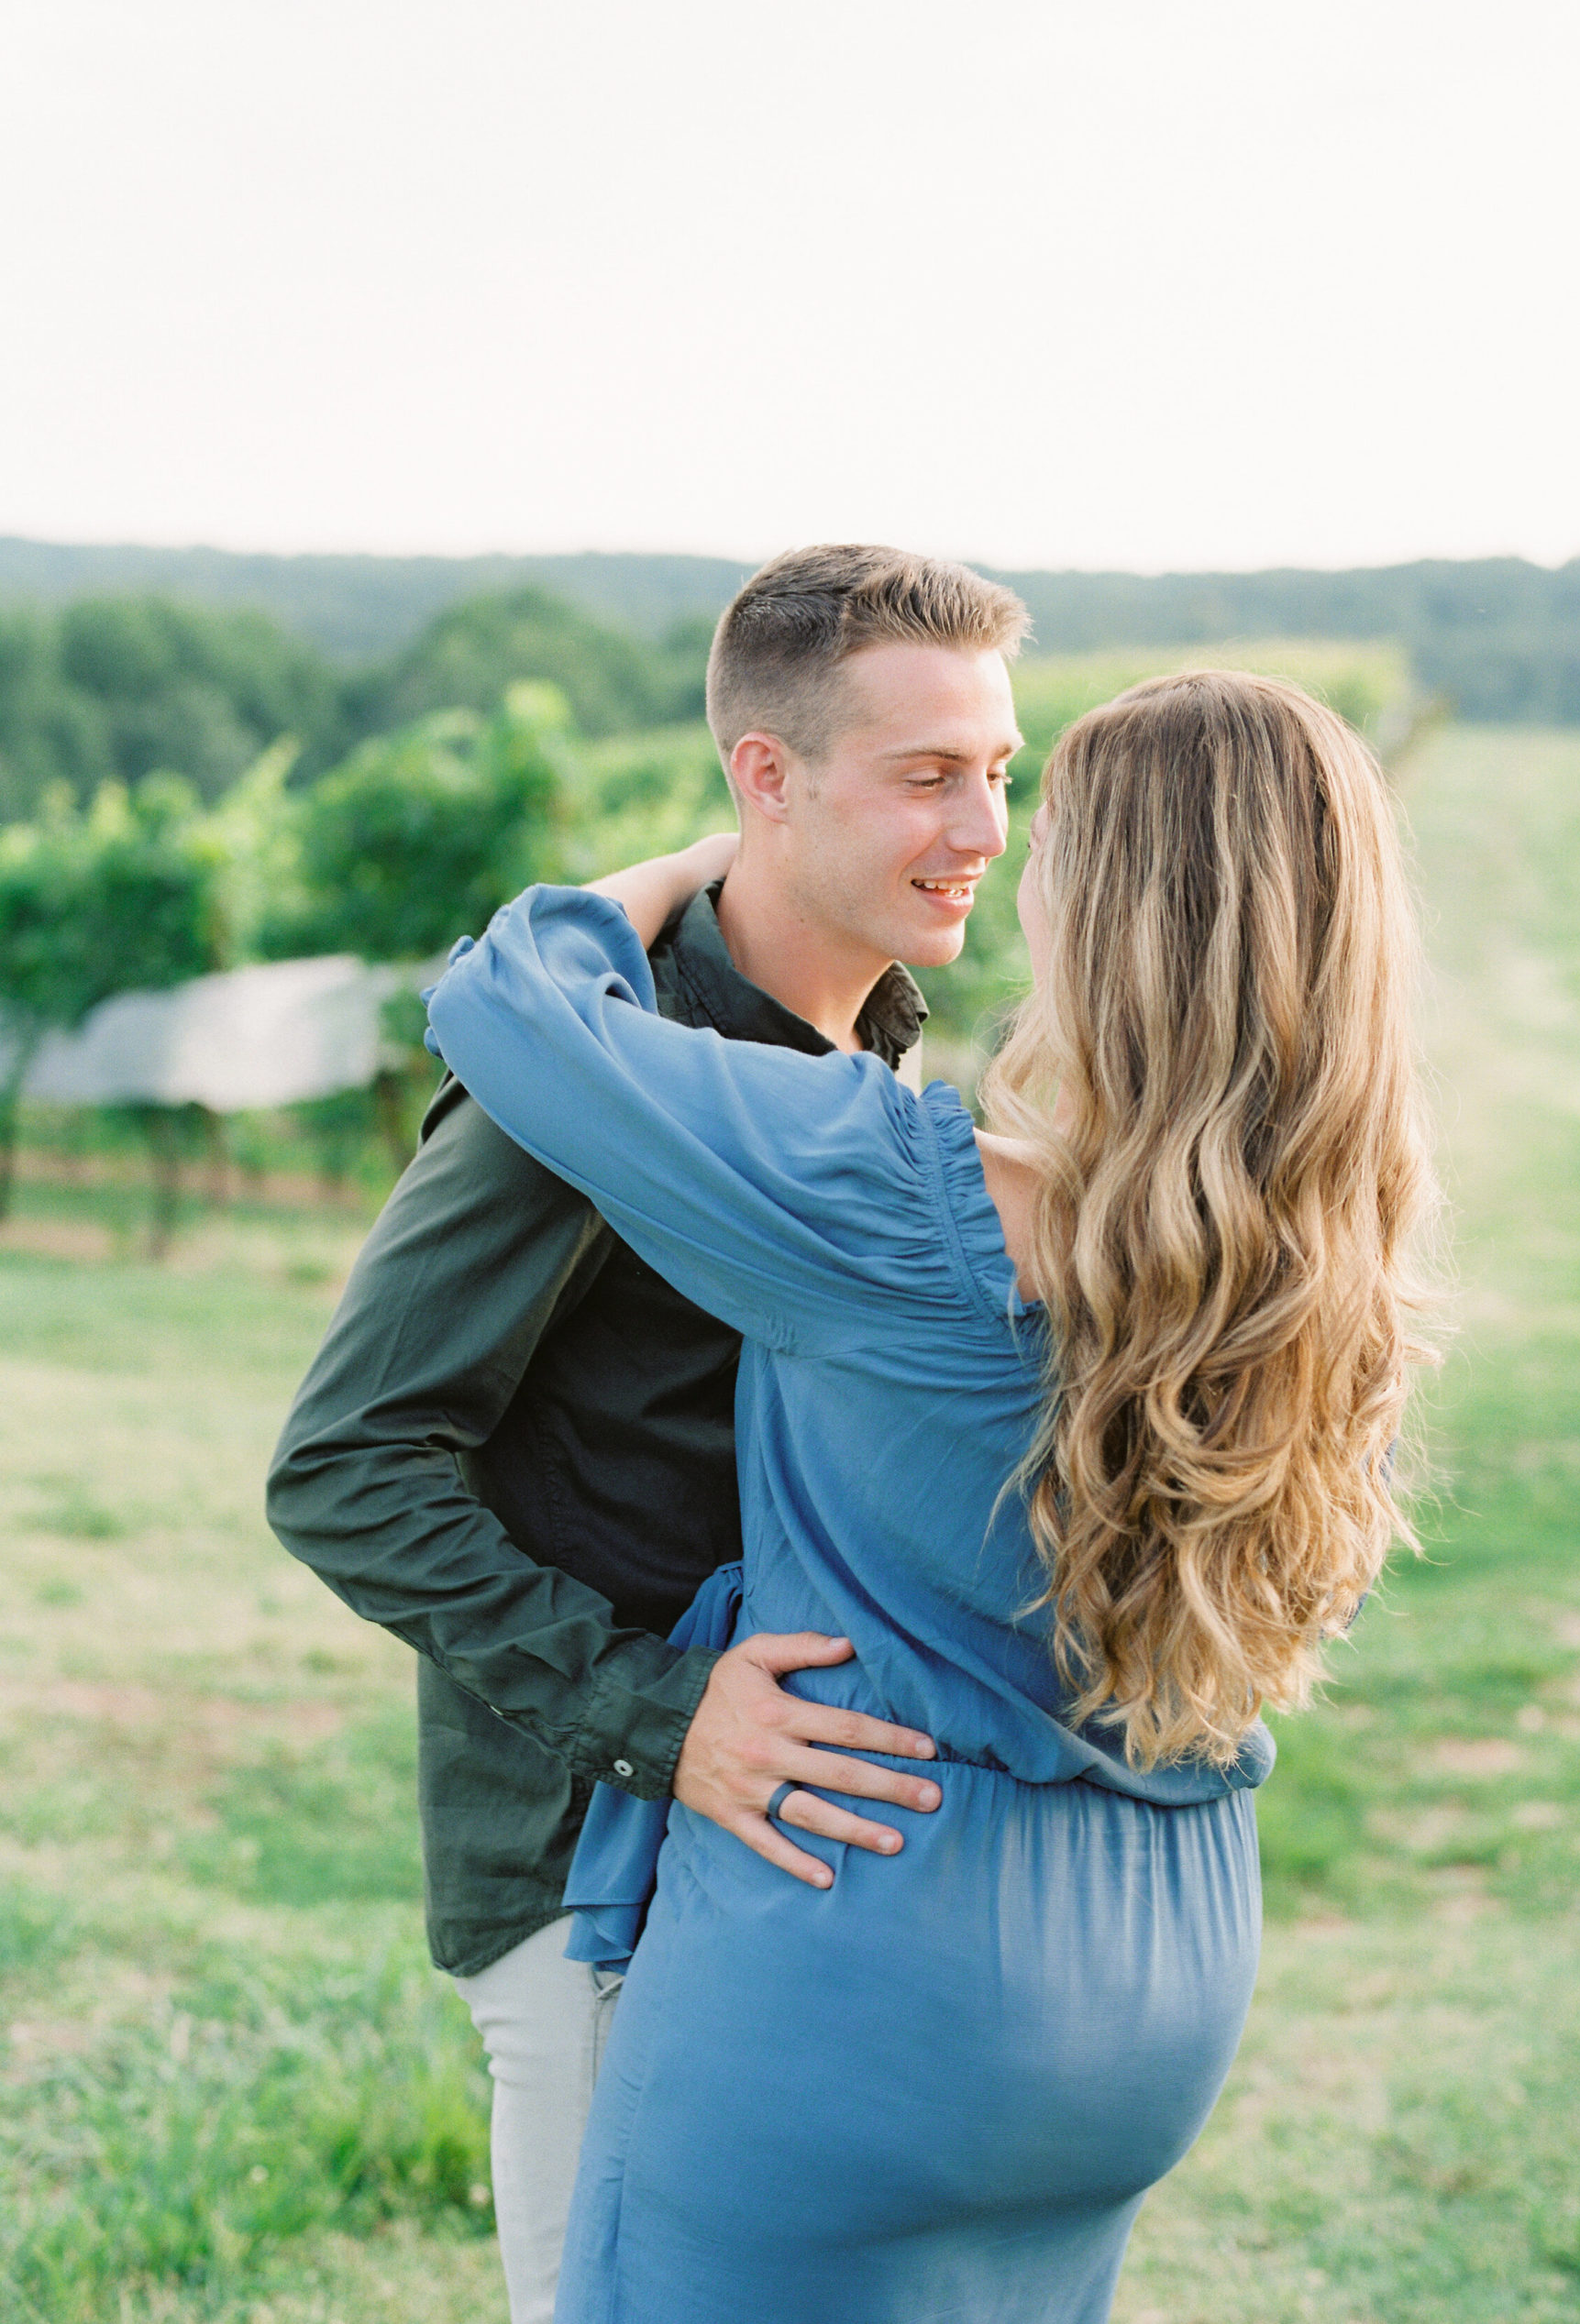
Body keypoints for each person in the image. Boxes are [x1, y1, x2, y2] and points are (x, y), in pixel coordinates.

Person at [421, 667, 1438, 2324]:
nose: (1001, 848)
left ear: (1098, 908)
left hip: (873, 1956)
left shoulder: (893, 1198)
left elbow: (505, 1003)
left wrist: (682, 871)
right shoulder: (1324, 1265)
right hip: (1158, 1972)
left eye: (1043, 829)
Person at [264, 545, 1030, 2324]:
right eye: (926, 772)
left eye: (995, 766)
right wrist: (659, 1713)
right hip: (593, 1858)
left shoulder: (885, 1067)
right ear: (765, 777)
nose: (981, 821)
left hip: (799, 1841)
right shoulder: (589, 1080)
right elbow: (345, 1461)